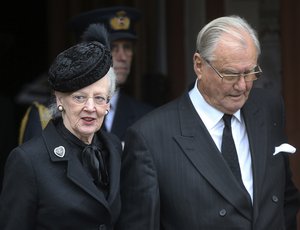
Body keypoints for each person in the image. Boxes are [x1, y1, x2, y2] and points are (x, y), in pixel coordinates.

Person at [115, 15, 300, 229]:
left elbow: (285, 198)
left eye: (249, 72)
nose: (242, 86)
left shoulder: (269, 108)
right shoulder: (150, 136)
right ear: (199, 65)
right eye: (230, 75)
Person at [0, 24, 122, 229]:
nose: (90, 108)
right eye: (79, 97)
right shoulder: (27, 160)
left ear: (108, 103)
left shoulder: (114, 147)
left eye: (99, 98)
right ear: (59, 100)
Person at [18, 6, 153, 145]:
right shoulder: (46, 115)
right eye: (112, 47)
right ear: (85, 53)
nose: (123, 57)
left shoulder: (147, 116)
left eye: (127, 47)